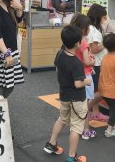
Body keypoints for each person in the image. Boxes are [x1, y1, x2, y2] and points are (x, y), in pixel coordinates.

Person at [43, 25, 90, 162]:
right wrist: (86, 81)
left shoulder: (60, 54)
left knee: (62, 119)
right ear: (78, 43)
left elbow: (57, 66)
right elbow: (77, 84)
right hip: (77, 99)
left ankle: (52, 144)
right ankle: (72, 157)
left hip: (64, 95)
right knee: (76, 127)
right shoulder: (76, 62)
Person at [70, 13, 96, 140]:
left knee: (78, 104)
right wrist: (93, 61)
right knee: (85, 106)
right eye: (88, 26)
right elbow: (86, 61)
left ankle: (77, 128)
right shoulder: (84, 42)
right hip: (85, 75)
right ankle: (86, 130)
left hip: (75, 74)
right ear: (83, 28)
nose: (90, 29)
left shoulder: (72, 41)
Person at [85, 3, 109, 122]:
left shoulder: (89, 28)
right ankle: (86, 110)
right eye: (104, 17)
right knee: (102, 90)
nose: (105, 20)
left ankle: (95, 112)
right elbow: (94, 49)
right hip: (97, 64)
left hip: (92, 64)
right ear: (99, 17)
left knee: (94, 90)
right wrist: (106, 42)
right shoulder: (94, 31)